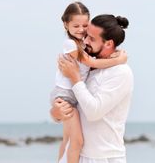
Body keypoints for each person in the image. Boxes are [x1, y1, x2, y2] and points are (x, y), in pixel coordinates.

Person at [51, 14, 134, 163]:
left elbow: (93, 112)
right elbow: (72, 102)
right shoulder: (87, 67)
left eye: (92, 39)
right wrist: (55, 114)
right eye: (86, 36)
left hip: (104, 158)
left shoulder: (120, 72)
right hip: (74, 155)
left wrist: (74, 77)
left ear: (108, 44)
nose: (85, 41)